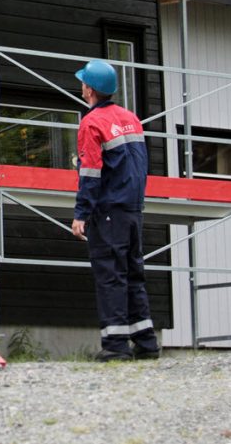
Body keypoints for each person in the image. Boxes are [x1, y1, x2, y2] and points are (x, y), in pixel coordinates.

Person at [71, 59, 161, 362]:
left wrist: (81, 213)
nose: (82, 87)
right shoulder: (131, 118)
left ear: (90, 88)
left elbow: (91, 173)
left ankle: (116, 345)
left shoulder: (91, 123)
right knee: (134, 274)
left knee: (111, 276)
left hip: (108, 210)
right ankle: (146, 342)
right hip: (133, 208)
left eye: (83, 83)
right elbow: (134, 165)